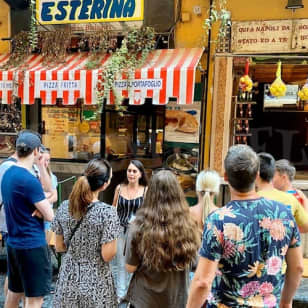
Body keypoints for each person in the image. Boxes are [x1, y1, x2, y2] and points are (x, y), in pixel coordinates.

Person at [186, 145, 303, 308]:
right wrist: (285, 302)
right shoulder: (283, 214)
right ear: (256, 176)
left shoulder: (218, 220)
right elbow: (297, 267)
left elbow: (202, 282)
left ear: (225, 177)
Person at [124, 170, 200, 308]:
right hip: (177, 300)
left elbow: (130, 267)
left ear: (150, 193)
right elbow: (195, 264)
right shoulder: (189, 226)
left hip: (144, 300)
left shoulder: (137, 226)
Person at [51, 159, 121, 308]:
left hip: (68, 278)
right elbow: (107, 255)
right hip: (96, 281)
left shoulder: (64, 207)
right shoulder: (108, 213)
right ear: (105, 184)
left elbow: (59, 247)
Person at [2, 131, 54, 308]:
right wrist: (41, 207)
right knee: (35, 298)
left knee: (14, 292)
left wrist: (38, 205)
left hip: (14, 242)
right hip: (31, 245)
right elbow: (50, 215)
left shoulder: (8, 173)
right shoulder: (28, 180)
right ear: (36, 151)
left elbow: (48, 190)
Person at [112, 160, 148, 301]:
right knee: (121, 263)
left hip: (138, 231)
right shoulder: (119, 188)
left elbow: (148, 212)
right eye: (129, 171)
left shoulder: (145, 190)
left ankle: (133, 293)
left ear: (140, 174)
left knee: (134, 263)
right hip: (120, 228)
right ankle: (121, 293)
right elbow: (113, 207)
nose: (131, 174)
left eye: (134, 171)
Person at [256, 152, 308, 233]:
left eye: (273, 175)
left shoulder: (289, 198)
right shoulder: (298, 195)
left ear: (283, 177)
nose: (271, 179)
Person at [39, 146, 58, 244]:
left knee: (45, 247)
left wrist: (42, 202)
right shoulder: (32, 174)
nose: (46, 163)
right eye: (44, 160)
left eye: (48, 160)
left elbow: (55, 197)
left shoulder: (52, 177)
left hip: (47, 216)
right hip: (34, 217)